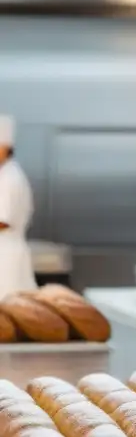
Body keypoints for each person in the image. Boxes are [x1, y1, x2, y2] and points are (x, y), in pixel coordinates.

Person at [0, 115, 36, 299]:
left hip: (6, 259)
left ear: (5, 148)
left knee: (10, 311)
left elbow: (3, 222)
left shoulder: (10, 179)